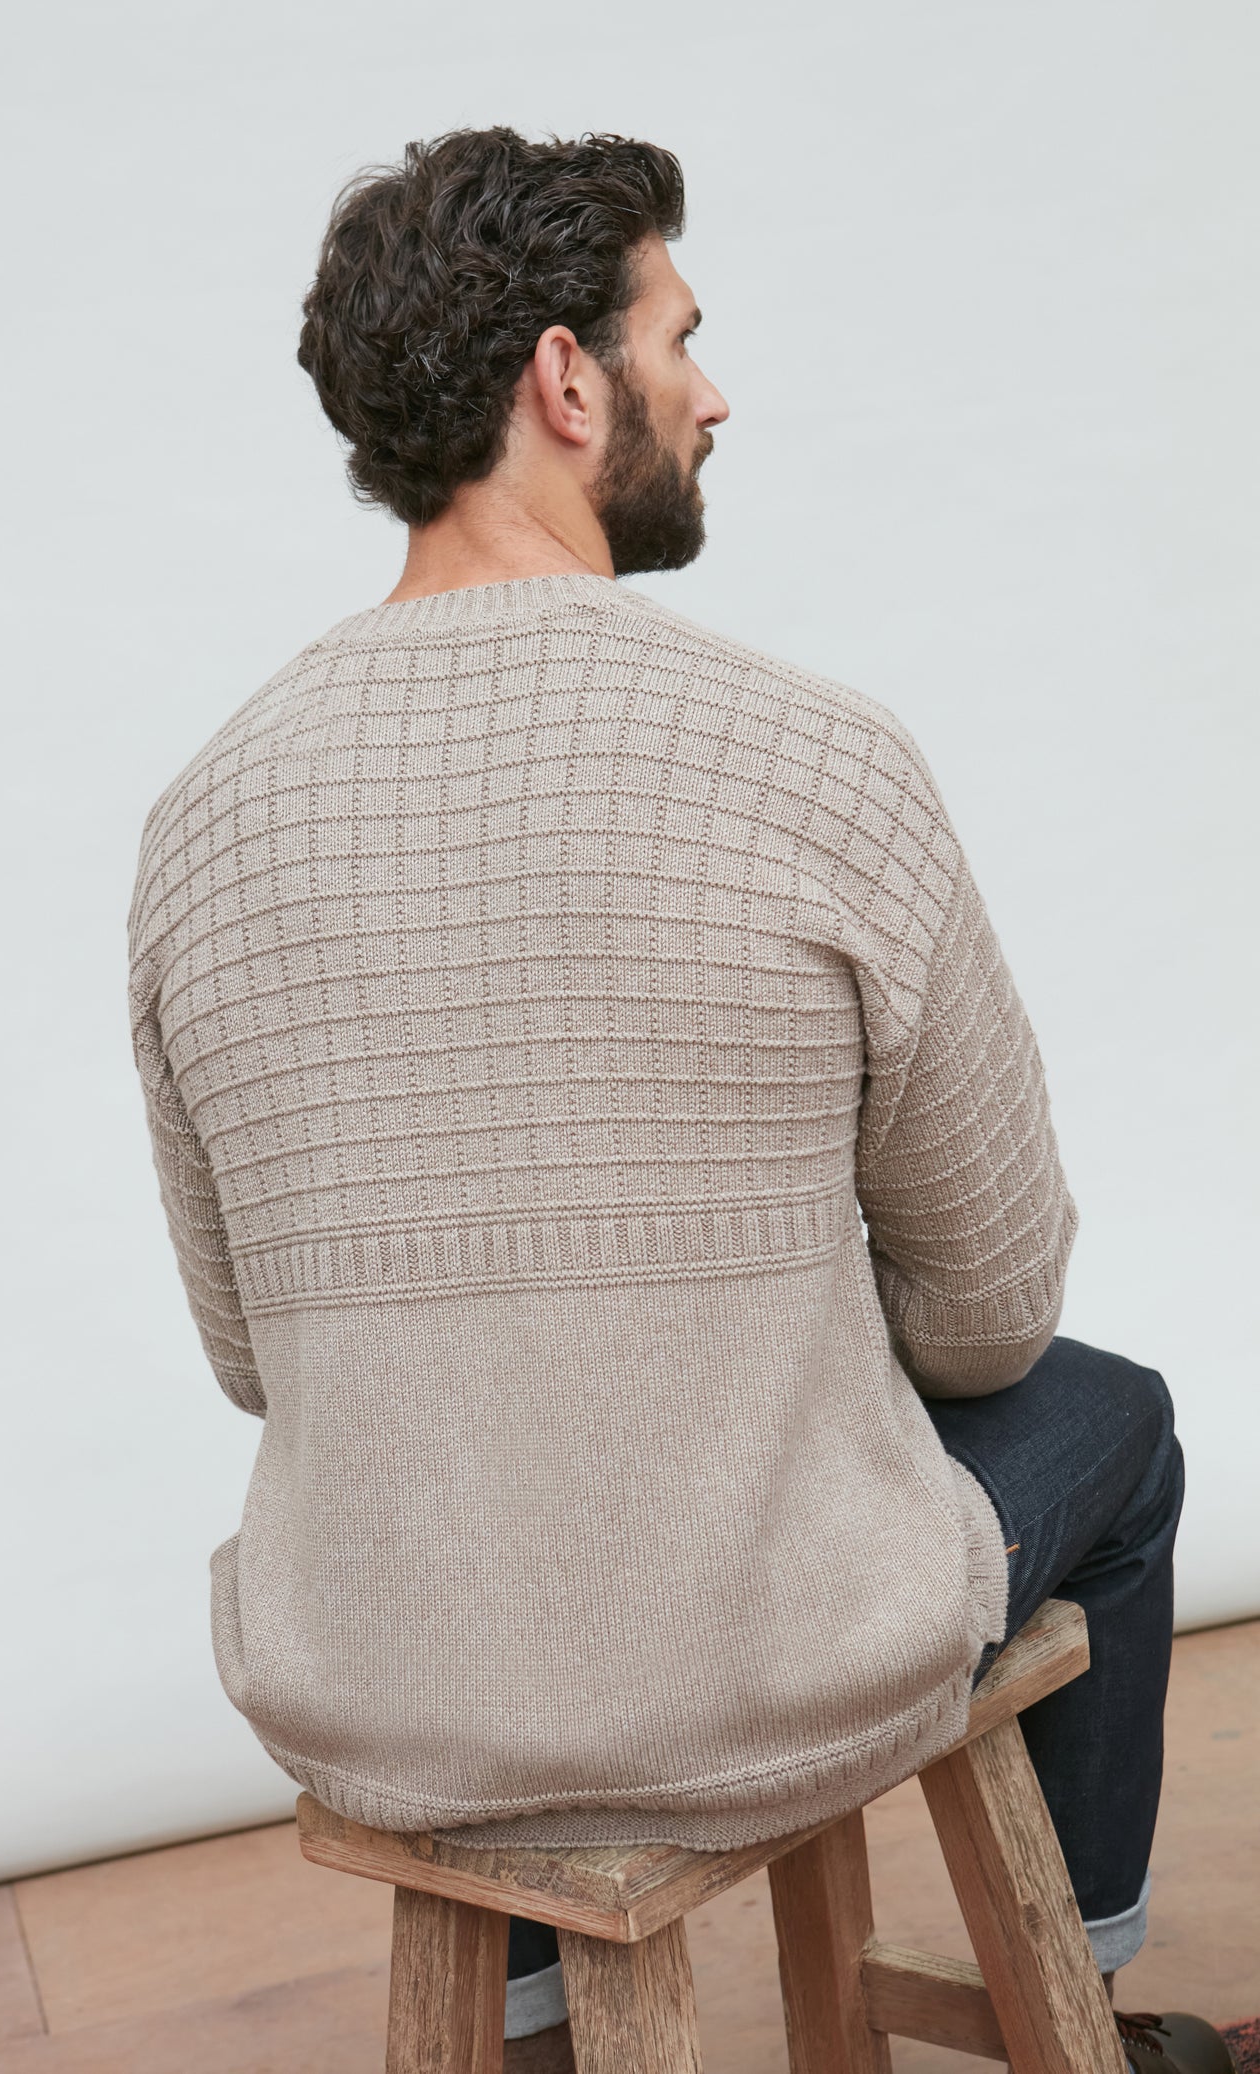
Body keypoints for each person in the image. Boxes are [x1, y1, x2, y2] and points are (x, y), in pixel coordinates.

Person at [127, 129, 1231, 2074]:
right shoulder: (812, 757)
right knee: (1116, 1424)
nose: (713, 395)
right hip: (766, 1665)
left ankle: (529, 2030)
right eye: (680, 336)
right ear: (566, 379)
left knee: (486, 1478)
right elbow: (991, 1315)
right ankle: (1085, 2012)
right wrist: (751, 1323)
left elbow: (251, 1357)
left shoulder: (200, 822)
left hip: (380, 1682)